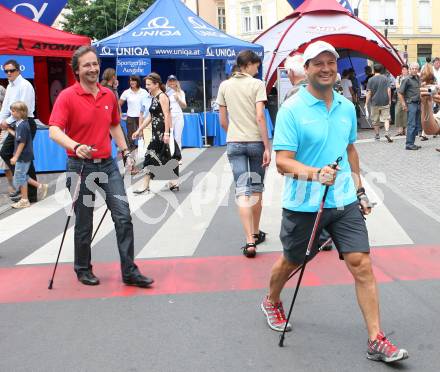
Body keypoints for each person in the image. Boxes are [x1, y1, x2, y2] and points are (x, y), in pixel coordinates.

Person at [260, 40, 408, 363]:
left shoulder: (344, 107)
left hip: (342, 201)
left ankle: (375, 339)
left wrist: (359, 190)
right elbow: (282, 162)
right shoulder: (291, 110)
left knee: (362, 265)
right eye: (319, 64)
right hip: (304, 204)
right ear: (307, 68)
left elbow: (350, 150)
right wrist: (315, 174)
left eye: (331, 63)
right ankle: (272, 299)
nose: (327, 69)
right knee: (293, 260)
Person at [48, 45, 154, 288]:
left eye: (95, 64)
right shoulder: (67, 96)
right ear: (76, 70)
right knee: (84, 222)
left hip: (107, 166)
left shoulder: (107, 95)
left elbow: (114, 125)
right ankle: (83, 268)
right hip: (80, 167)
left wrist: (126, 150)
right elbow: (54, 130)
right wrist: (75, 145)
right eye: (87, 65)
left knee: (123, 217)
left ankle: (129, 271)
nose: (93, 68)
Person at [216, 50, 271, 258]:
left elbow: (222, 120)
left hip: (234, 142)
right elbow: (260, 116)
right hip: (256, 141)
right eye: (256, 66)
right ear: (248, 64)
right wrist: (267, 146)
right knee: (256, 188)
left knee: (242, 190)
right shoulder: (257, 85)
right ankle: (256, 232)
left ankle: (249, 241)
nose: (257, 70)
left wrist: (233, 133)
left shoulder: (224, 85)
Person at [283, 53, 333, 251]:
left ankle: (315, 236)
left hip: (305, 156)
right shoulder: (320, 90)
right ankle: (324, 235)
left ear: (289, 73)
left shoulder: (293, 95)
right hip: (322, 153)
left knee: (310, 194)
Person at [132, 73, 181, 193]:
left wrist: (166, 133)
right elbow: (150, 117)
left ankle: (145, 184)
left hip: (161, 132)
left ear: (156, 84)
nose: (146, 86)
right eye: (146, 84)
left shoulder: (162, 96)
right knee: (168, 156)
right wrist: (139, 130)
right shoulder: (154, 97)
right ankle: (174, 182)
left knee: (150, 156)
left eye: (149, 84)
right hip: (157, 132)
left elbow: (167, 115)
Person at [0, 59, 39, 202]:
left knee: (23, 158)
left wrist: (7, 122)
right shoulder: (10, 86)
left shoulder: (25, 85)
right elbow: (5, 107)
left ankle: (31, 192)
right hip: (15, 123)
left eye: (12, 70)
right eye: (6, 71)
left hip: (25, 123)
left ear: (18, 70)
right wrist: (1, 121)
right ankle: (25, 186)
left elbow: (24, 109)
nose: (9, 73)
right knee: (10, 154)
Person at [8, 102, 48, 208]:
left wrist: (16, 156)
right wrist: (8, 129)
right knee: (23, 175)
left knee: (20, 176)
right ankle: (40, 186)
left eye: (14, 111)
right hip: (25, 155)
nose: (12, 113)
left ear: (21, 112)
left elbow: (22, 142)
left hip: (23, 156)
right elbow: (18, 137)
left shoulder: (22, 125)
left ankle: (24, 200)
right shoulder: (21, 123)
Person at [118, 75, 148, 150]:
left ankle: (146, 153)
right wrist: (120, 114)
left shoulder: (144, 92)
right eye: (130, 80)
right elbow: (118, 104)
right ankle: (131, 154)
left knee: (144, 135)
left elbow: (148, 104)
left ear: (137, 81)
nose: (132, 82)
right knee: (130, 137)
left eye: (134, 80)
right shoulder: (126, 92)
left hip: (143, 117)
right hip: (130, 117)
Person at [365, 63, 393, 142]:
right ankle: (387, 132)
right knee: (386, 118)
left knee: (375, 120)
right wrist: (389, 100)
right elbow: (389, 90)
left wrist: (366, 103)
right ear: (382, 70)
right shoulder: (385, 78)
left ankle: (377, 135)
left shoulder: (370, 80)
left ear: (374, 70)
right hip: (385, 101)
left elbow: (369, 92)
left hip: (374, 102)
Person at [398, 62, 422, 150]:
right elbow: (400, 93)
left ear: (418, 70)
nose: (414, 70)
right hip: (411, 104)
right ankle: (409, 144)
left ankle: (412, 143)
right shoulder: (406, 79)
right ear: (409, 69)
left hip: (418, 103)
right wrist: (404, 104)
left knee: (416, 125)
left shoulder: (418, 78)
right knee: (411, 124)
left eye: (416, 69)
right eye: (413, 68)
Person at [166, 75, 187, 153]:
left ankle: (178, 156)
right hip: (169, 117)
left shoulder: (181, 92)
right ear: (168, 82)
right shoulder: (165, 93)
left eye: (173, 81)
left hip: (178, 116)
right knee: (169, 136)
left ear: (176, 82)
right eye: (170, 81)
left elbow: (184, 106)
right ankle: (169, 154)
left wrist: (178, 99)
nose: (172, 82)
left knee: (178, 137)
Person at [394, 64, 409, 136]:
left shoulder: (409, 77)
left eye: (405, 69)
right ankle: (400, 130)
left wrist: (401, 86)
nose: (404, 71)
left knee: (406, 114)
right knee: (398, 113)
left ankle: (405, 130)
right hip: (399, 97)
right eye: (403, 70)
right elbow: (397, 86)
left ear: (408, 70)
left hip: (407, 98)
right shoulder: (398, 77)